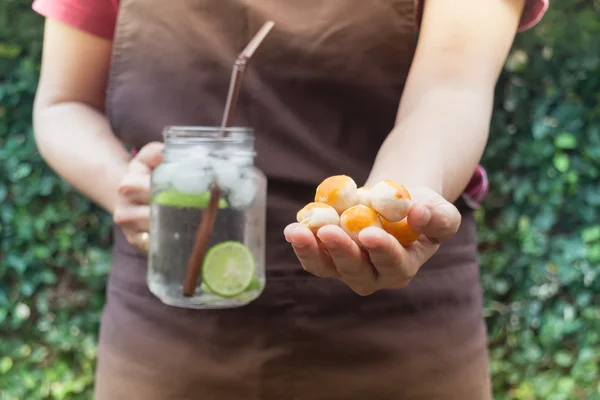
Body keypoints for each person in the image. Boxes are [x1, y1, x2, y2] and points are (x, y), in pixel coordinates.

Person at [32, 0, 548, 398]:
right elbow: (62, 103)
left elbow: (451, 88)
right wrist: (127, 187)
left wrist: (394, 211)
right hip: (166, 330)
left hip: (402, 330)